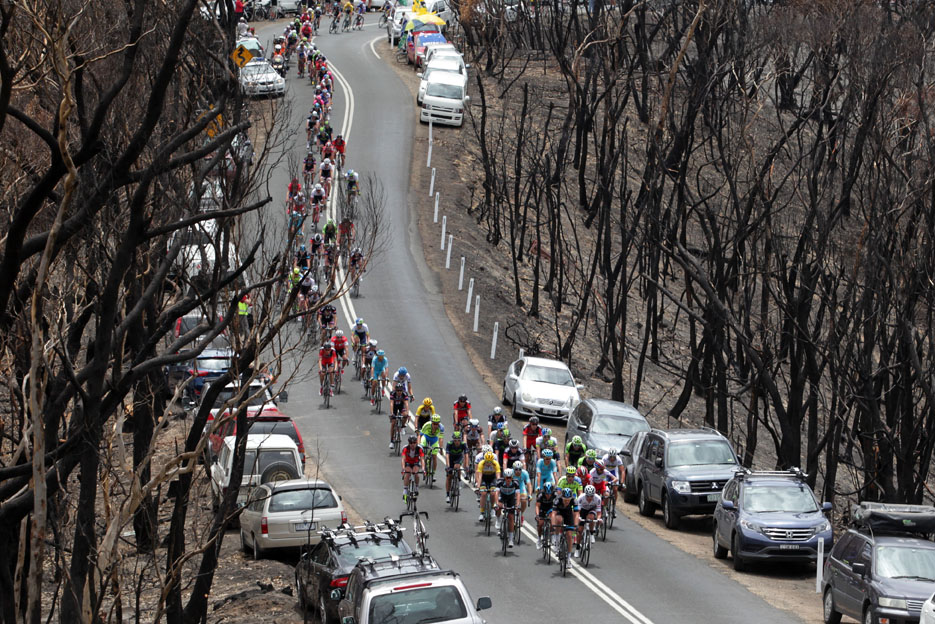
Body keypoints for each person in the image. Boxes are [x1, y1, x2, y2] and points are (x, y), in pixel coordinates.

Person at [495, 469, 520, 547]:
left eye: (510, 478)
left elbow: (518, 495)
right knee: (499, 506)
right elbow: (496, 493)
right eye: (507, 478)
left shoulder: (515, 483)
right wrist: (496, 503)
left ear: (512, 477)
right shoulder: (500, 482)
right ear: (504, 478)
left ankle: (511, 539)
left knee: (511, 517)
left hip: (511, 498)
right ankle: (498, 520)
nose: (508, 479)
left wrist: (517, 505)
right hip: (502, 497)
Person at [550, 487, 580, 554]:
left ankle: (568, 557)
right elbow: (553, 514)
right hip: (559, 512)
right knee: (559, 519)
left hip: (568, 514)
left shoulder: (574, 500)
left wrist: (576, 525)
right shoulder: (557, 500)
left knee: (569, 536)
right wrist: (553, 525)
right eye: (565, 500)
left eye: (568, 500)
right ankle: (557, 540)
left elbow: (576, 514)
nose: (567, 501)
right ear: (562, 498)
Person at [576, 485, 602, 556]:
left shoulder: (598, 498)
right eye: (588, 496)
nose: (589, 498)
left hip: (591, 509)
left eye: (591, 496)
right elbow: (578, 511)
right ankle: (577, 548)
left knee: (591, 517)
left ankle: (591, 533)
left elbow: (599, 512)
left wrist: (599, 519)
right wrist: (578, 518)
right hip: (582, 511)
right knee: (580, 530)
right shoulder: (581, 498)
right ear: (585, 494)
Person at [475, 451, 500, 523]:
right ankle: (482, 513)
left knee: (493, 493)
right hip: (484, 478)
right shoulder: (481, 463)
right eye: (487, 461)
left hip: (492, 478)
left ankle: (492, 508)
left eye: (490, 462)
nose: (488, 463)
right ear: (484, 460)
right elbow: (480, 476)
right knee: (483, 493)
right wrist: (478, 487)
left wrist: (498, 487)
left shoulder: (496, 464)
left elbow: (498, 477)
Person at [419, 414, 445, 478]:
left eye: (437, 424)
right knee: (421, 447)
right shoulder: (427, 425)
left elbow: (441, 439)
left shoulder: (441, 427)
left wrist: (441, 448)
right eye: (434, 424)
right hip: (426, 437)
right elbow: (420, 435)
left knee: (434, 456)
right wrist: (419, 445)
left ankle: (433, 473)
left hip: (434, 439)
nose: (435, 425)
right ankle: (421, 460)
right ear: (431, 422)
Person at [445, 431, 467, 504]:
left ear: (460, 440)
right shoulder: (449, 444)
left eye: (458, 440)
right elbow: (447, 455)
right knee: (449, 476)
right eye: (455, 440)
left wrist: (466, 466)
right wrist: (447, 466)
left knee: (457, 467)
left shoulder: (463, 444)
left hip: (458, 457)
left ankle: (459, 480)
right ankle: (447, 495)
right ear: (453, 440)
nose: (457, 442)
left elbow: (466, 455)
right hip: (451, 458)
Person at [401, 435, 425, 502]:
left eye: (414, 443)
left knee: (416, 473)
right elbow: (403, 459)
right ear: (409, 443)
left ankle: (416, 487)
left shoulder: (420, 449)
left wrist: (423, 469)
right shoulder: (405, 448)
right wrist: (403, 469)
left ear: (416, 443)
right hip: (408, 463)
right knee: (408, 473)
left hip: (416, 463)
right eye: (411, 443)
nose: (412, 444)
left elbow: (422, 459)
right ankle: (405, 490)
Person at [535, 482, 557, 549]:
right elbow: (537, 506)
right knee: (540, 523)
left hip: (550, 508)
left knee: (551, 520)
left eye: (550, 493)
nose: (548, 495)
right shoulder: (540, 495)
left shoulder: (555, 494)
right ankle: (539, 539)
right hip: (542, 508)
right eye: (547, 494)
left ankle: (553, 536)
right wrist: (537, 515)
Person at [513, 459, 531, 528]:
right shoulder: (510, 473)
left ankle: (521, 514)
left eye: (520, 469)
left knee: (523, 500)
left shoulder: (525, 473)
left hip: (521, 486)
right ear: (513, 469)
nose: (518, 471)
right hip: (513, 487)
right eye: (516, 469)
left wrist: (529, 495)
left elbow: (529, 484)